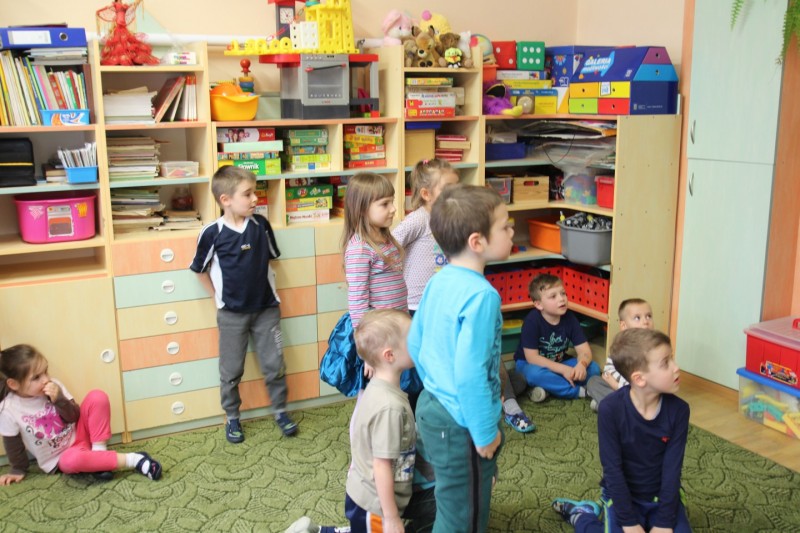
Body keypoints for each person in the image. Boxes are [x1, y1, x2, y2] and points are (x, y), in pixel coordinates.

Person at [408, 184, 513, 532]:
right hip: (461, 423)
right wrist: (483, 432)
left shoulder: (438, 281)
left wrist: (438, 384)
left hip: (432, 405)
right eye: (505, 227)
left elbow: (415, 342)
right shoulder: (482, 296)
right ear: (477, 241)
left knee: (454, 500)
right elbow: (471, 374)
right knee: (463, 518)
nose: (512, 232)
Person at [286, 309, 431, 533]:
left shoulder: (380, 389)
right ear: (389, 355)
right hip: (375, 505)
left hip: (372, 499)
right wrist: (391, 517)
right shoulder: (389, 407)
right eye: (412, 340)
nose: (418, 342)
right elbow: (381, 465)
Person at [190, 165, 297, 444]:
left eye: (255, 193)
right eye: (247, 194)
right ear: (225, 200)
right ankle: (232, 417)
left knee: (275, 365)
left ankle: (281, 411)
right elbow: (199, 270)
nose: (254, 199)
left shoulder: (261, 225)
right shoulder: (212, 232)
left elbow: (271, 259)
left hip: (266, 310)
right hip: (231, 315)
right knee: (231, 370)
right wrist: (217, 297)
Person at [552, 328, 691, 533]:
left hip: (661, 497)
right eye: (666, 363)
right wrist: (629, 522)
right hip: (622, 498)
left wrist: (664, 522)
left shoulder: (679, 410)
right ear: (639, 379)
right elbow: (612, 470)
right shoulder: (610, 409)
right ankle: (582, 516)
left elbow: (672, 470)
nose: (676, 367)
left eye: (672, 359)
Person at [0, 344, 161, 484]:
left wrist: (59, 399)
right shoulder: (8, 410)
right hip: (62, 457)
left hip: (80, 434)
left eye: (45, 372)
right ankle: (135, 459)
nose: (46, 379)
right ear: (13, 384)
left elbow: (74, 417)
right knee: (71, 461)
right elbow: (13, 445)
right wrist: (17, 469)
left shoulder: (54, 386)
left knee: (97, 397)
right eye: (36, 377)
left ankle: (99, 454)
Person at [513, 273, 601, 402]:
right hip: (530, 364)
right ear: (539, 305)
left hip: (560, 362)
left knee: (593, 368)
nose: (561, 299)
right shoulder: (532, 321)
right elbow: (532, 358)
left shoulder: (570, 318)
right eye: (553, 296)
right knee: (533, 374)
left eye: (563, 293)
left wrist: (581, 365)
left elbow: (584, 350)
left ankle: (550, 388)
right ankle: (579, 391)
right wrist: (564, 370)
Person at [586, 298, 654, 411]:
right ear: (624, 326)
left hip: (638, 395)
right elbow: (608, 370)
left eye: (648, 316)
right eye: (637, 318)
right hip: (619, 390)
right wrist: (611, 381)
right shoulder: (619, 346)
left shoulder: (653, 349)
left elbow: (646, 384)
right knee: (593, 381)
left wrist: (617, 386)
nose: (645, 321)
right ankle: (614, 406)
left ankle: (609, 406)